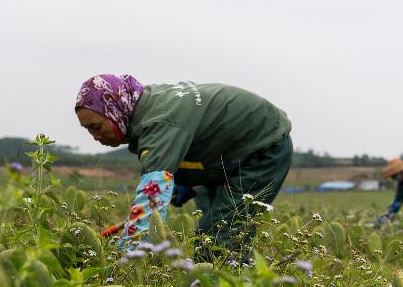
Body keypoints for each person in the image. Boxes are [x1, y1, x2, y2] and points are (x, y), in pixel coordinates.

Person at [75, 74, 292, 253]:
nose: (94, 136)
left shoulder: (158, 121)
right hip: (221, 156)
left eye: (96, 126)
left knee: (216, 240)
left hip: (262, 150)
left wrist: (126, 257)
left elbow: (153, 198)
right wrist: (184, 179)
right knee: (213, 233)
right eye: (87, 130)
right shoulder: (145, 105)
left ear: (115, 109)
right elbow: (193, 133)